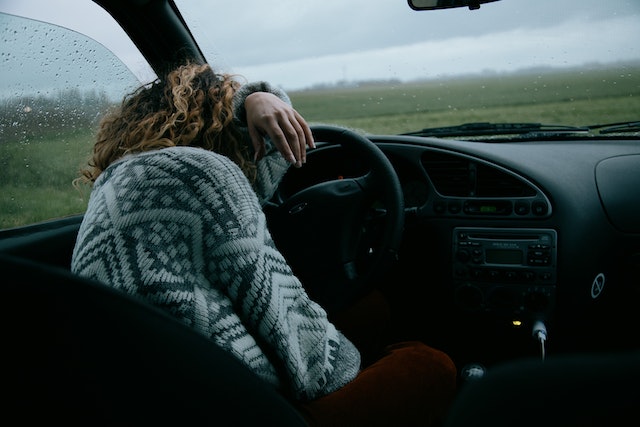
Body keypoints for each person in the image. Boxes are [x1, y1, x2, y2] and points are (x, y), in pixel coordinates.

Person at [71, 61, 457, 426]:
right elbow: (295, 341)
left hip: (143, 395)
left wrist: (253, 97)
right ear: (225, 125)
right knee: (429, 363)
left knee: (373, 310)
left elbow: (263, 192)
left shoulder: (115, 183)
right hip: (233, 406)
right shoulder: (208, 173)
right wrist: (351, 368)